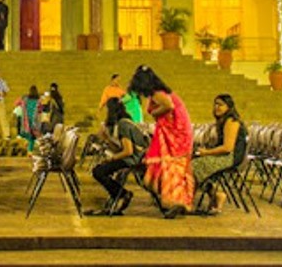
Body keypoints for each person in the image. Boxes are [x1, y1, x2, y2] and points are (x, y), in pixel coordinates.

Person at [128, 64, 194, 218]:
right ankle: (174, 202)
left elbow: (168, 106)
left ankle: (175, 202)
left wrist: (154, 114)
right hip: (173, 132)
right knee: (169, 168)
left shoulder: (158, 94)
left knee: (169, 167)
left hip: (174, 134)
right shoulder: (160, 92)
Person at [88, 97, 150, 215]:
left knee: (98, 171)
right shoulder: (125, 121)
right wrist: (107, 139)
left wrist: (111, 158)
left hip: (133, 160)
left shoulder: (123, 124)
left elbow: (128, 151)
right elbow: (122, 148)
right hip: (134, 158)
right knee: (102, 169)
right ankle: (119, 194)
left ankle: (122, 194)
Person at [191, 94, 247, 212]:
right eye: (215, 104)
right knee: (193, 162)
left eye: (220, 105)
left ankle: (190, 199)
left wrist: (206, 153)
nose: (216, 107)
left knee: (195, 165)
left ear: (229, 107)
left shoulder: (231, 121)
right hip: (226, 155)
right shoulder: (223, 121)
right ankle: (216, 195)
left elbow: (227, 148)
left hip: (231, 157)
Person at [15, 85, 41, 151]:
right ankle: (31, 150)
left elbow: (16, 103)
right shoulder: (38, 100)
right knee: (33, 137)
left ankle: (29, 150)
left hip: (26, 120)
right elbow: (40, 109)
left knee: (30, 137)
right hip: (35, 120)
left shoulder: (25, 99)